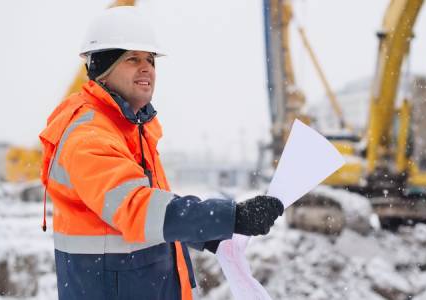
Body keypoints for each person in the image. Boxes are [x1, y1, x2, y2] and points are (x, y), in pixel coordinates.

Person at [38, 6, 284, 300]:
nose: (147, 68)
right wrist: (232, 217)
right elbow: (138, 209)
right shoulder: (89, 136)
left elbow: (156, 214)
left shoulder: (131, 128)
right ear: (102, 67)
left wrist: (209, 236)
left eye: (151, 60)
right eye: (133, 59)